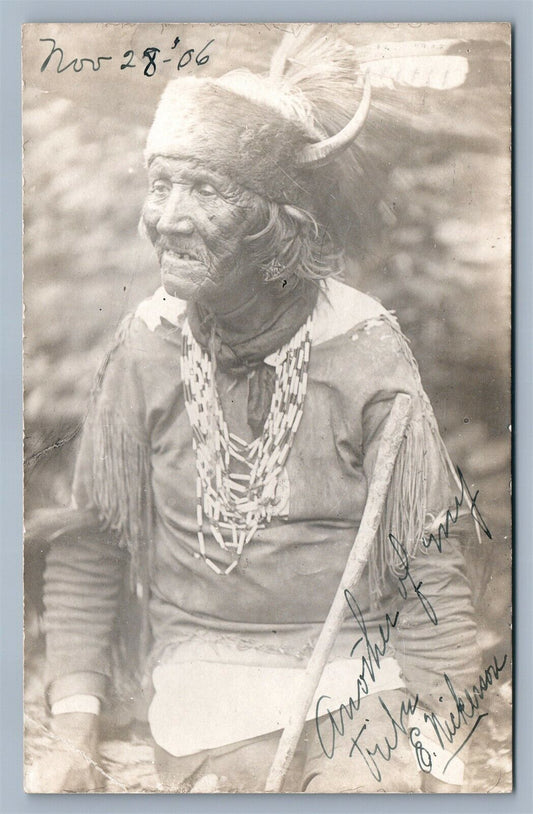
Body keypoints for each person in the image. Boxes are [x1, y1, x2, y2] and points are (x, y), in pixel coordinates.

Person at [30, 33, 483, 793]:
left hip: (357, 668)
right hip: (204, 674)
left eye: (206, 191)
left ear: (280, 221)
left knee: (361, 789)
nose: (169, 217)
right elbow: (93, 542)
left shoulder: (362, 348)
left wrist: (440, 741)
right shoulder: (146, 347)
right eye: (162, 184)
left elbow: (426, 559)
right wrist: (74, 724)